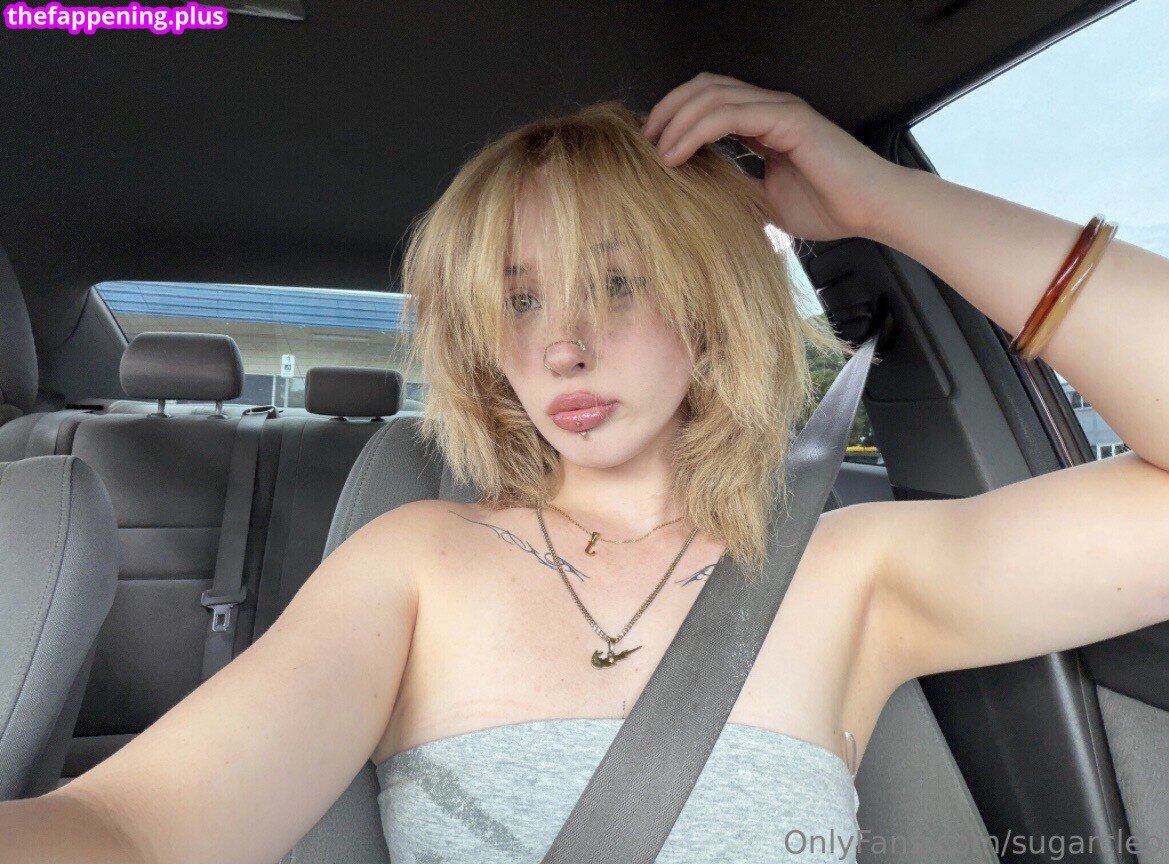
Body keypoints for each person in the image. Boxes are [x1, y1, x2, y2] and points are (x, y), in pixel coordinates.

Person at [3, 70, 1169, 864]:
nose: (560, 342)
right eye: (517, 300)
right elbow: (134, 829)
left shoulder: (847, 570)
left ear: (706, 308)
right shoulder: (413, 564)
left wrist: (883, 200)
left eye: (613, 282)